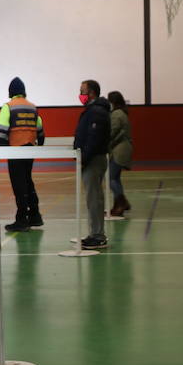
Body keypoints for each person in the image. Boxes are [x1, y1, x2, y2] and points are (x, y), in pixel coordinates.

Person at [0, 76, 45, 232]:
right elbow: (40, 130)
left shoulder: (8, 107)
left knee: (19, 186)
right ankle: (35, 216)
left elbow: (1, 130)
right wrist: (39, 145)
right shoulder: (33, 107)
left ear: (11, 92)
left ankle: (22, 220)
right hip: (30, 150)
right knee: (28, 182)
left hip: (15, 150)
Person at [73, 80, 111, 250]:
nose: (80, 94)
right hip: (91, 159)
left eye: (83, 91)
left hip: (93, 160)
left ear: (92, 93)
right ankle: (94, 233)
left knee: (94, 198)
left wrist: (83, 158)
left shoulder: (96, 112)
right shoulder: (93, 110)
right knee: (92, 197)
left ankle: (98, 235)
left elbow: (93, 139)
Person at [106, 91, 133, 217]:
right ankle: (121, 203)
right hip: (123, 149)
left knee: (110, 178)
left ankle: (121, 202)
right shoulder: (122, 113)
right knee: (115, 178)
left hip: (119, 150)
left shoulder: (116, 114)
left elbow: (112, 132)